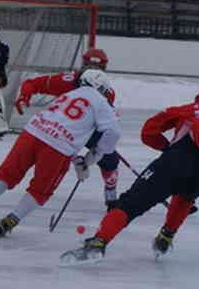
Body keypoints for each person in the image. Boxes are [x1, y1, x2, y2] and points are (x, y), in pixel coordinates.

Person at [59, 87, 199, 265]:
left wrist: (165, 148)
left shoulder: (190, 109)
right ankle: (166, 236)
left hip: (177, 160)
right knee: (186, 193)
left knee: (130, 203)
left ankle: (99, 242)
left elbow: (149, 130)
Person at [0, 69, 121, 236]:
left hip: (33, 131)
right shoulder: (101, 102)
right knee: (41, 189)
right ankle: (11, 220)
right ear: (100, 88)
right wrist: (94, 155)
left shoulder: (71, 92)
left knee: (7, 173)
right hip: (58, 146)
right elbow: (114, 132)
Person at [13, 47, 122, 208]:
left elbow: (107, 122)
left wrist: (101, 147)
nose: (92, 71)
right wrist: (24, 96)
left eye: (97, 68)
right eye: (88, 67)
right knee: (40, 156)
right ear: (83, 65)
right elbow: (33, 83)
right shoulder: (67, 80)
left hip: (87, 130)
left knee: (111, 160)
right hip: (60, 129)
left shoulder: (107, 90)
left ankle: (111, 192)